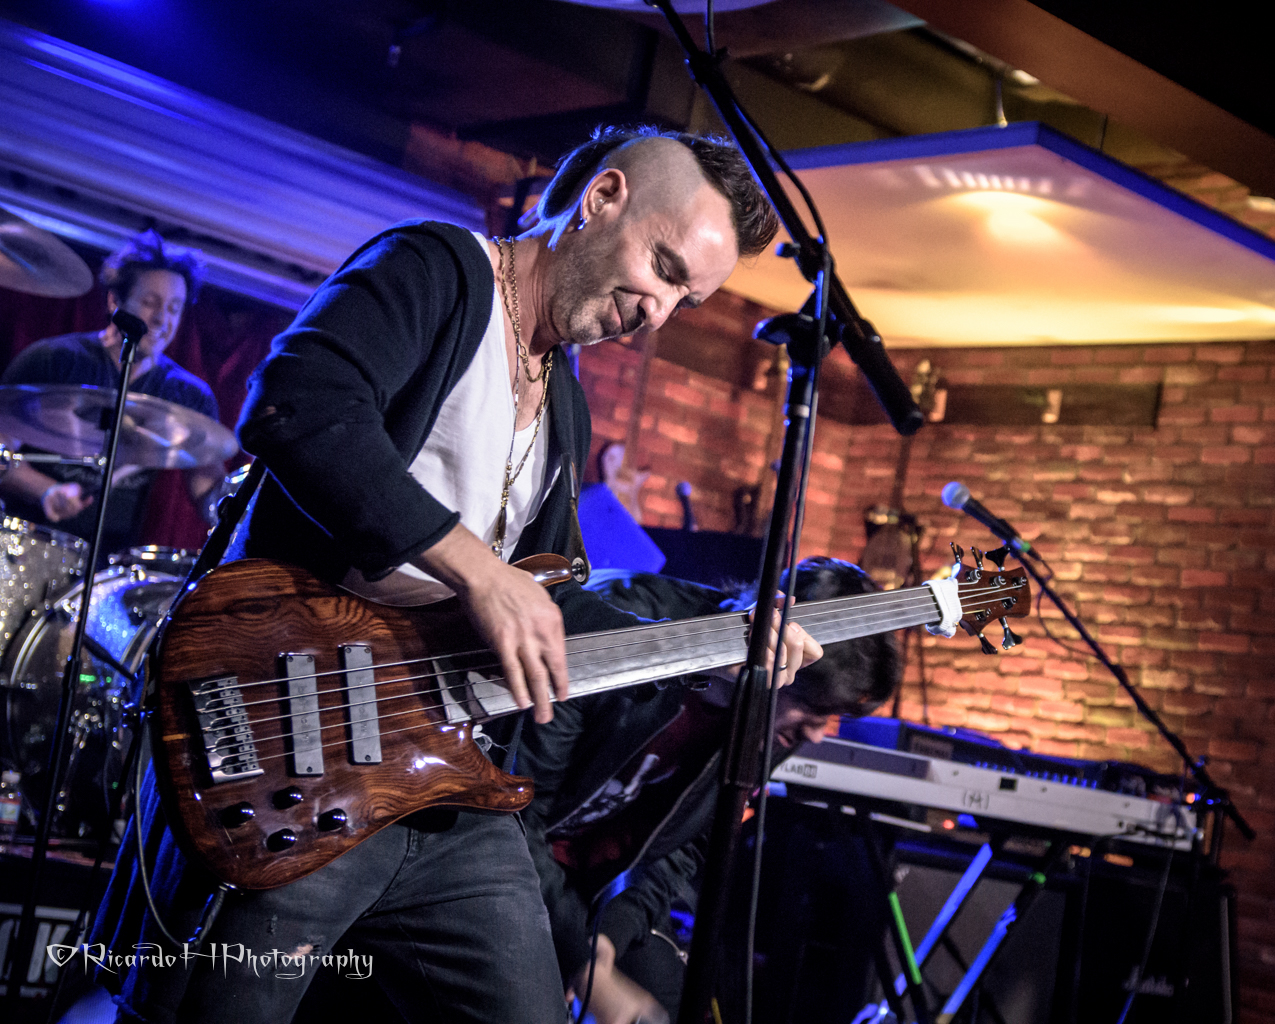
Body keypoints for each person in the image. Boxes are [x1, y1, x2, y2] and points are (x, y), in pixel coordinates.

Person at [87, 126, 805, 1024]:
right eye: (662, 269)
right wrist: (476, 570)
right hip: (294, 748)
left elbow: (548, 610)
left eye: (684, 300)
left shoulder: (565, 402)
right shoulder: (436, 269)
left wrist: (713, 652)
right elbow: (296, 404)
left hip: (440, 783)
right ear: (601, 198)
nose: (657, 313)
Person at [517, 558, 901, 1024]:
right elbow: (513, 816)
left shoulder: (772, 724)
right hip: (501, 858)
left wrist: (606, 941)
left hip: (585, 888)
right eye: (814, 709)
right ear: (779, 655)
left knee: (670, 1000)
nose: (819, 735)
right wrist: (581, 962)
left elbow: (686, 845)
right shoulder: (623, 619)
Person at [0, 230, 221, 556]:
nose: (162, 319)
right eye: (150, 303)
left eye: (174, 308)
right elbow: (0, 452)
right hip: (24, 547)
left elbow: (207, 485)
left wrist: (234, 501)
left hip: (110, 561)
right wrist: (46, 490)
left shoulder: (190, 396)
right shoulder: (53, 360)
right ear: (114, 301)